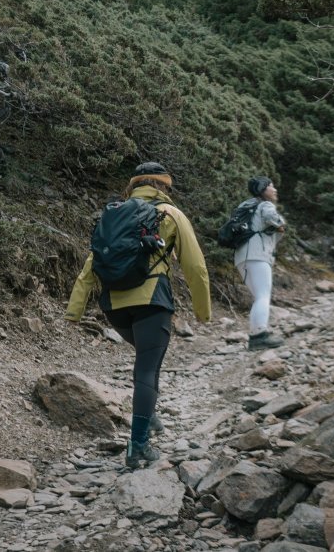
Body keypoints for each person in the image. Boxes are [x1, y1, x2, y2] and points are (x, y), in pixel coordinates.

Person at [64, 162, 211, 469]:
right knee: (147, 370)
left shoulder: (114, 215)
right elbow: (195, 266)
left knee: (146, 363)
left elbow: (91, 263)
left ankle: (148, 412)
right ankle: (138, 446)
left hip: (113, 306)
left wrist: (74, 311)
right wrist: (202, 311)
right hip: (151, 301)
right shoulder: (170, 214)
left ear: (133, 187)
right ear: (165, 186)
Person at [234, 175, 286, 351]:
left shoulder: (245, 205)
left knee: (259, 297)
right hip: (258, 255)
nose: (275, 189)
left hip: (241, 257)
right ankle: (258, 336)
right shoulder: (265, 205)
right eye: (272, 186)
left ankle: (257, 334)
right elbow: (274, 219)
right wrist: (281, 225)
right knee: (263, 295)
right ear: (263, 189)